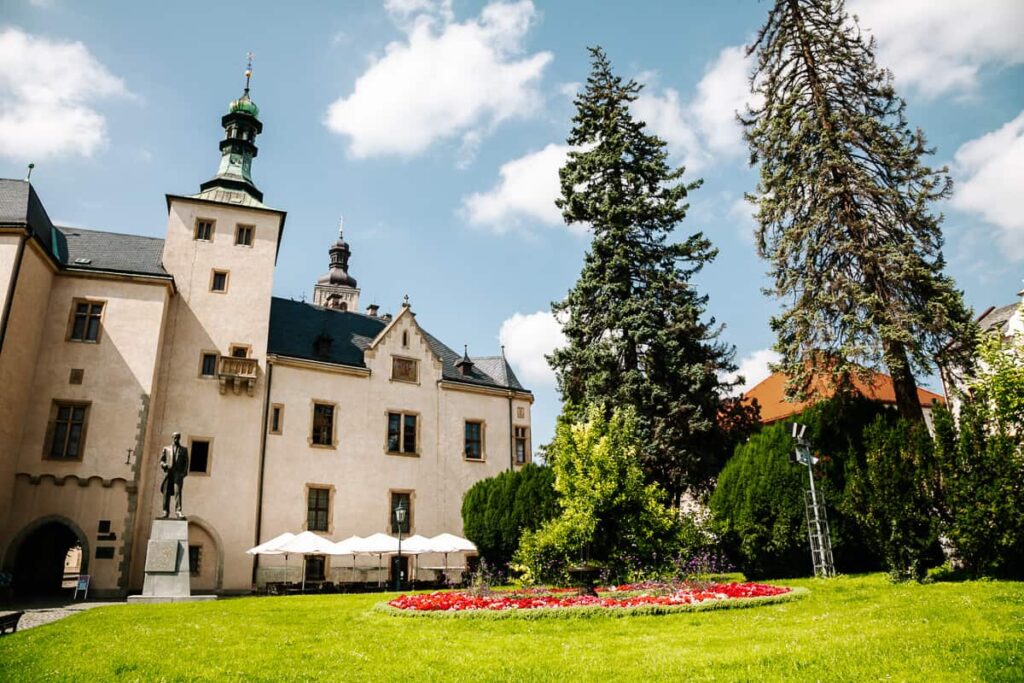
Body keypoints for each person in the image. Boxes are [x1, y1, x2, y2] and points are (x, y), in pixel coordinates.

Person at [160, 433, 189, 518]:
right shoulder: (166, 449)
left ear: (179, 438)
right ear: (172, 437)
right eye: (175, 437)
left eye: (178, 437)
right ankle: (165, 511)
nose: (176, 439)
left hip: (178, 474)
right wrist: (164, 465)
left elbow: (186, 463)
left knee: (177, 492)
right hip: (168, 474)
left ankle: (178, 511)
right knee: (166, 493)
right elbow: (161, 460)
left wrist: (183, 474)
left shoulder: (184, 450)